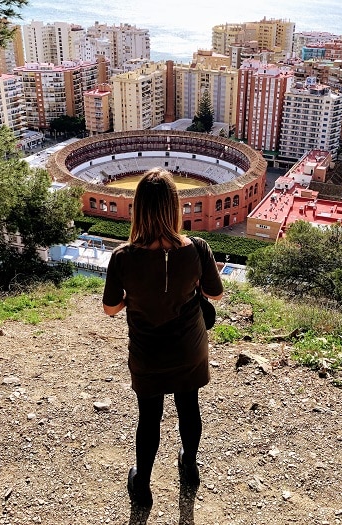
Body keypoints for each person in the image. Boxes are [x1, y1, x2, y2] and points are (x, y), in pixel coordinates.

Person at [102, 168, 224, 509]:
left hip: (148, 352)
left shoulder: (123, 257)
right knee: (189, 407)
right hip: (189, 348)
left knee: (149, 417)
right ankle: (189, 464)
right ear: (175, 207)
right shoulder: (198, 248)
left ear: (138, 208)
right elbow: (216, 294)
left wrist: (134, 300)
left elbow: (110, 309)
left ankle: (142, 482)